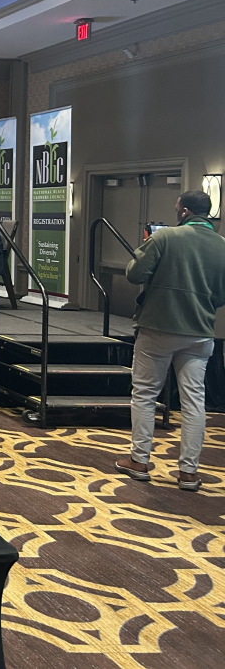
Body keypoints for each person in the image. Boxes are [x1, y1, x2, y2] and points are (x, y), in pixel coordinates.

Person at [114, 191, 225, 492]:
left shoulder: (164, 238)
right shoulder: (222, 245)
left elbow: (134, 274)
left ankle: (139, 461)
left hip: (157, 328)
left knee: (145, 394)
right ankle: (188, 472)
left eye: (177, 209)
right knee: (194, 402)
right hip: (200, 332)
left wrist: (146, 246)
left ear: (185, 211)